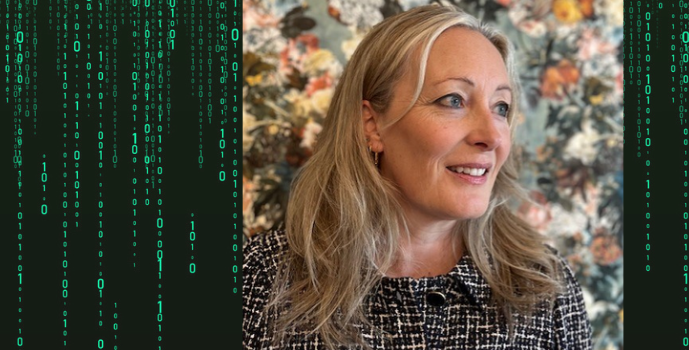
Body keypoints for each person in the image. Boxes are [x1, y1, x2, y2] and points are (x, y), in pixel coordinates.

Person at [243, 4, 593, 349]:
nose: (493, 135)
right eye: (453, 100)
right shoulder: (260, 281)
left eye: (501, 107)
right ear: (372, 124)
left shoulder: (546, 289)